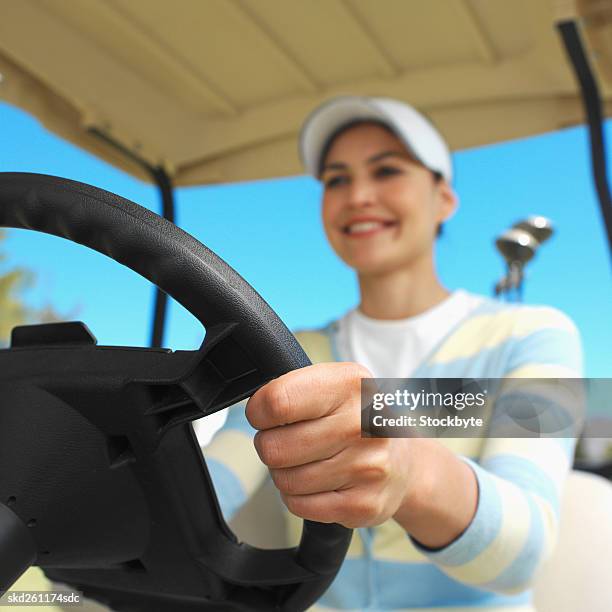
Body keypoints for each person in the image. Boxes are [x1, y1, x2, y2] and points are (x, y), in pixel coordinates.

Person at [201, 96, 583, 611]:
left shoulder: (534, 334)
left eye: (387, 171)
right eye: (336, 179)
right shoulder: (286, 350)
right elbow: (212, 486)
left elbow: (524, 553)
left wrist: (414, 472)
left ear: (444, 198)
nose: (358, 195)